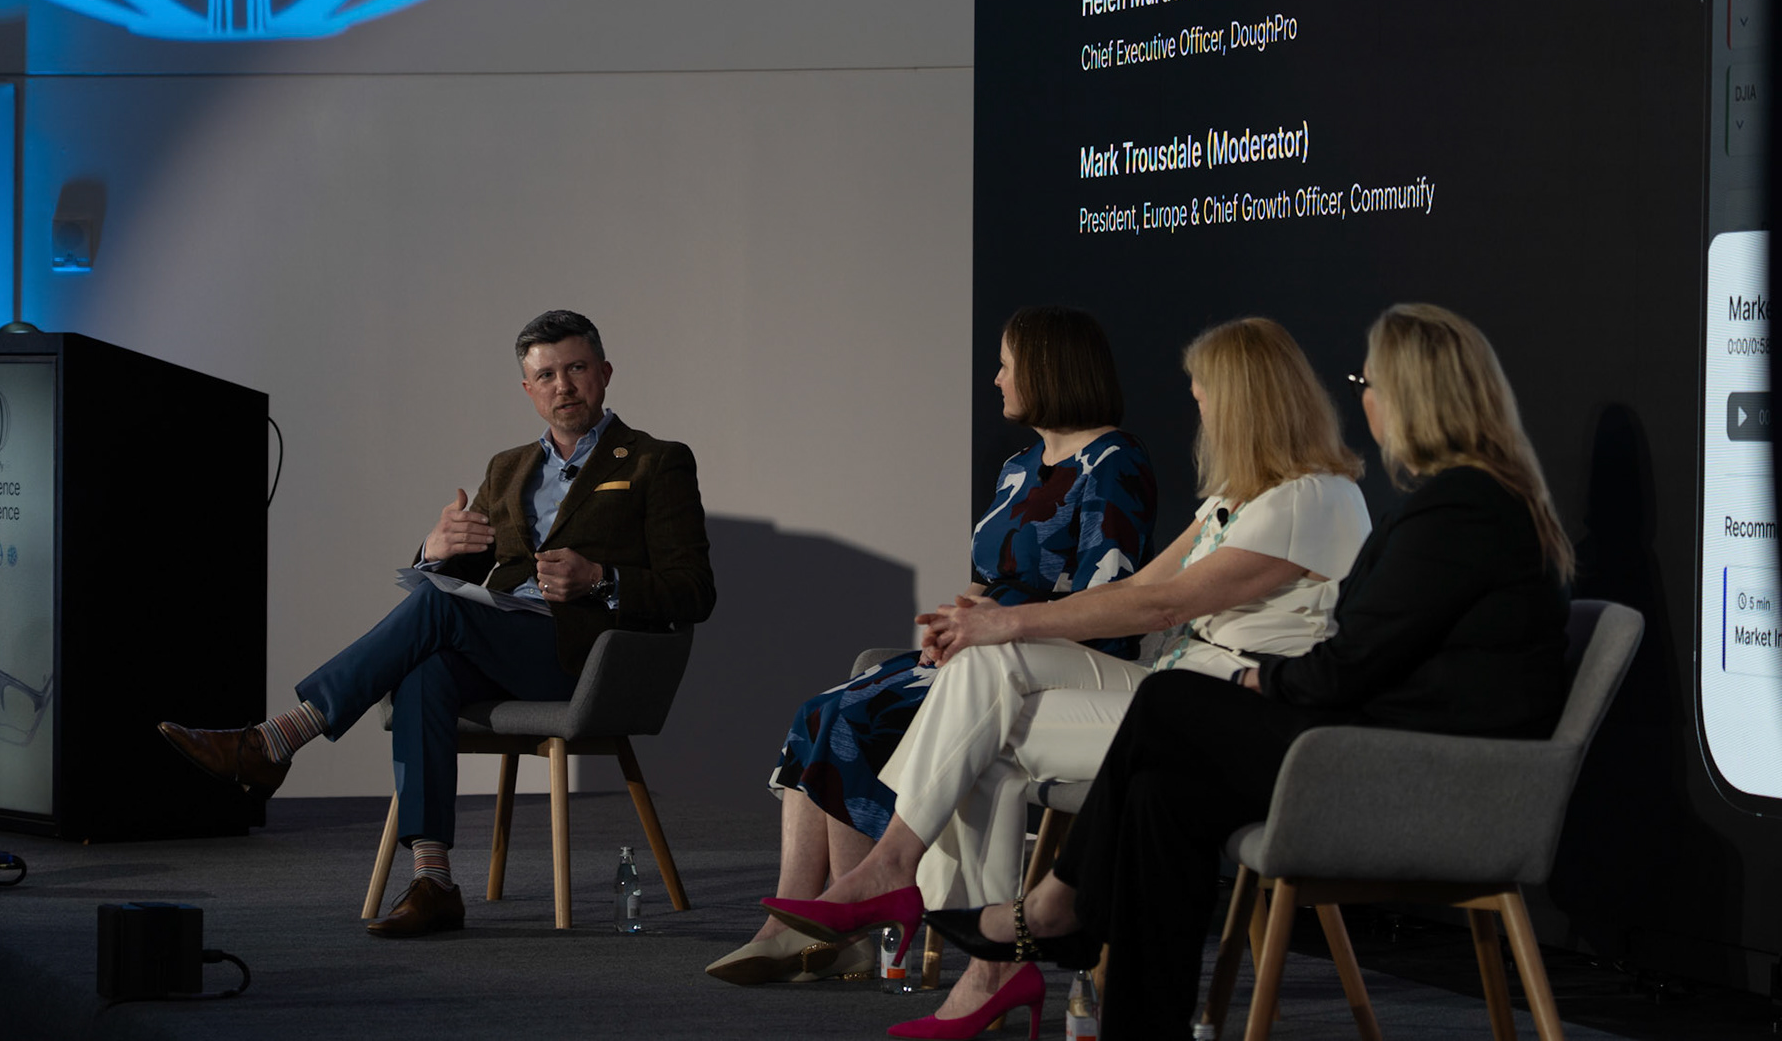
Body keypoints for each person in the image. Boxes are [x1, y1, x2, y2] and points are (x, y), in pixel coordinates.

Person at [931, 303, 1574, 1040]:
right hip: (1389, 745)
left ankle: (1056, 907)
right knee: (1161, 793)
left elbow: (1346, 671)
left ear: (1410, 398)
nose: (1365, 399)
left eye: (1369, 382)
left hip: (1422, 774)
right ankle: (1118, 996)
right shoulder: (1467, 504)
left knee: (1171, 701)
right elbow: (1366, 657)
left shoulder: (1460, 510)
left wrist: (1251, 683)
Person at [761, 317, 1371, 1037]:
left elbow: (1163, 604)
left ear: (1243, 402)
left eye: (1204, 395)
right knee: (979, 698)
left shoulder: (1314, 498)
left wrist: (1012, 621)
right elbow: (1141, 584)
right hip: (1171, 686)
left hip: (1222, 715)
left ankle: (944, 925)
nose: (1200, 412)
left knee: (982, 721)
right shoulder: (1240, 495)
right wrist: (990, 619)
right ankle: (949, 926)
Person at [157, 310, 716, 937]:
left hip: (586, 661)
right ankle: (435, 882)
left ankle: (277, 739)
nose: (563, 386)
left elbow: (694, 590)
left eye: (577, 368)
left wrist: (600, 579)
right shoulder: (508, 468)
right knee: (426, 669)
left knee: (439, 610)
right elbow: (464, 568)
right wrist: (435, 549)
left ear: (605, 373)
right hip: (504, 639)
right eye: (546, 375)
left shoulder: (655, 462)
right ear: (528, 389)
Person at [705, 306, 1158, 985]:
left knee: (857, 716)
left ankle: (840, 923)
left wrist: (995, 627)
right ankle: (802, 921)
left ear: (1047, 368)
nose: (996, 378)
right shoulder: (1017, 466)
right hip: (984, 647)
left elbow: (1108, 601)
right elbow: (989, 576)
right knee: (819, 711)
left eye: (1006, 364)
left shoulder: (1115, 461)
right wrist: (953, 622)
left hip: (1059, 660)